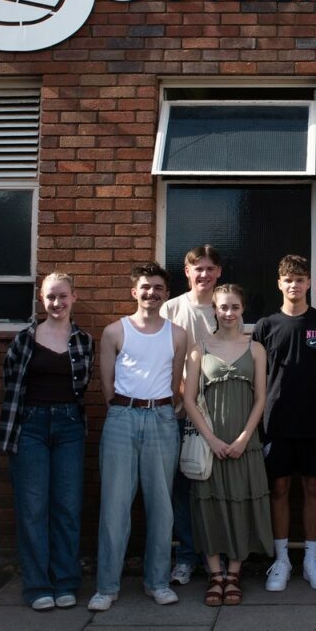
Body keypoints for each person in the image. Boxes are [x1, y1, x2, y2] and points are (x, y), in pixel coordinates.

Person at [88, 262, 187, 612]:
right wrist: (125, 410)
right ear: (134, 291)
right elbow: (106, 384)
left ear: (166, 293)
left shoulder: (177, 334)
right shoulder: (115, 331)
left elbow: (176, 385)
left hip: (161, 418)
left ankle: (157, 582)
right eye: (145, 287)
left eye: (158, 287)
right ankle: (106, 586)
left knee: (162, 506)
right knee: (115, 506)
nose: (151, 293)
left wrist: (159, 409)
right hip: (122, 418)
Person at [0, 272, 94, 611]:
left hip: (69, 426)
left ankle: (66, 582)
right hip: (31, 427)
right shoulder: (25, 339)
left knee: (67, 507)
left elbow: (83, 385)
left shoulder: (83, 340)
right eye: (51, 297)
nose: (57, 303)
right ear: (42, 299)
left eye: (63, 296)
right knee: (33, 509)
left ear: (74, 297)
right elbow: (11, 382)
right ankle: (38, 586)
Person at [183, 284, 273, 606]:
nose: (229, 313)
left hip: (243, 442)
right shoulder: (199, 348)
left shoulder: (256, 349)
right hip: (211, 442)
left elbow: (261, 397)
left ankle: (234, 571)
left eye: (235, 307)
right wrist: (212, 438)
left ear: (242, 309)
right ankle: (215, 574)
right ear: (215, 310)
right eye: (223, 307)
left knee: (241, 502)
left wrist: (243, 438)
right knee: (208, 505)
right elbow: (189, 399)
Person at [252, 255, 316, 592]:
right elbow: (257, 377)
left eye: (300, 279)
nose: (294, 285)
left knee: (315, 488)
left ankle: (312, 559)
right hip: (276, 422)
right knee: (280, 489)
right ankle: (282, 559)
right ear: (279, 283)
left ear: (309, 284)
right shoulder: (265, 325)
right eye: (288, 279)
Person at [160, 244, 223, 585]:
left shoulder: (224, 308)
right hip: (180, 412)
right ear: (186, 272)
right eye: (197, 268)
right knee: (181, 486)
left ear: (218, 273)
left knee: (213, 486)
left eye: (210, 268)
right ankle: (185, 557)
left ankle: (216, 556)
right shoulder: (171, 308)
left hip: (218, 413)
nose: (204, 274)